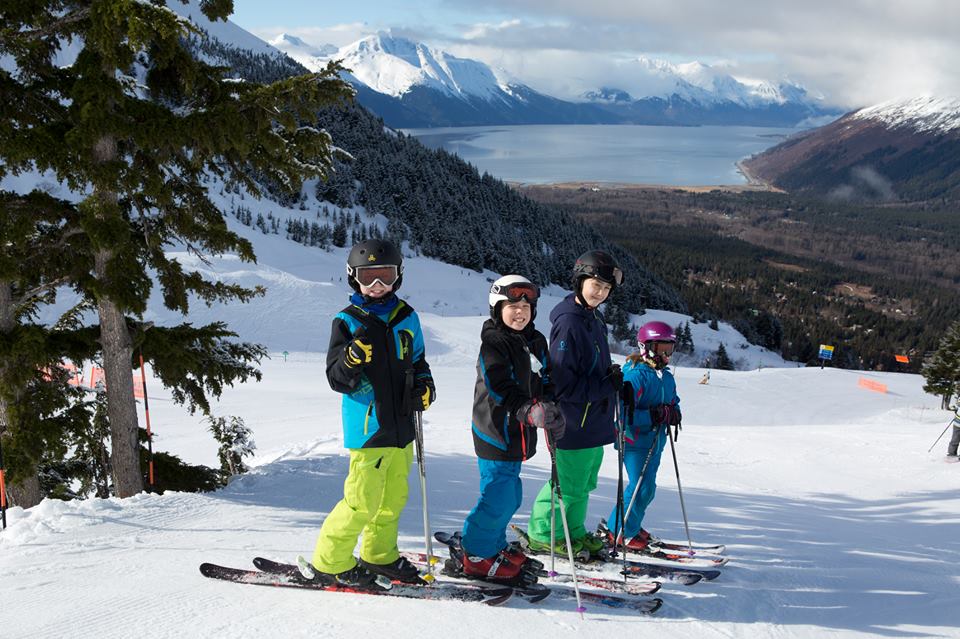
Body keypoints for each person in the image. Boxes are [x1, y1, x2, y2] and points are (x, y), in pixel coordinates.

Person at [310, 239, 436, 588]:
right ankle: (330, 561)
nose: (377, 285)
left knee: (392, 499)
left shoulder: (407, 317)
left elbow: (418, 361)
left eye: (385, 276)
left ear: (398, 276)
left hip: (402, 425)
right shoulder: (347, 321)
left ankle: (379, 555)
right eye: (368, 277)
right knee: (361, 502)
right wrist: (351, 359)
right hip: (369, 426)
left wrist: (425, 387)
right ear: (354, 278)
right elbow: (337, 379)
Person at [457, 275, 565, 585]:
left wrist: (550, 406)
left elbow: (547, 378)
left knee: (511, 494)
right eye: (512, 306)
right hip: (495, 428)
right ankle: (476, 553)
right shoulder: (494, 343)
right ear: (497, 309)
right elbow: (498, 386)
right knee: (499, 495)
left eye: (526, 307)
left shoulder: (535, 341)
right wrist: (527, 409)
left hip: (520, 431)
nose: (520, 313)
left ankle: (493, 545)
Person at [525, 250, 624, 557]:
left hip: (594, 420)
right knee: (566, 484)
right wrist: (605, 385)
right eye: (596, 285)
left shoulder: (593, 318)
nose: (601, 293)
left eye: (606, 288)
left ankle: (574, 530)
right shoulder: (569, 323)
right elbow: (563, 384)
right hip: (573, 420)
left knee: (583, 483)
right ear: (580, 281)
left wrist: (609, 377)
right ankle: (543, 533)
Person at [603, 321, 681, 551]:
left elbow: (674, 402)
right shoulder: (635, 375)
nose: (666, 355)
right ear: (645, 347)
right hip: (634, 440)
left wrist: (674, 413)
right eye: (661, 348)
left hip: (656, 441)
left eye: (669, 349)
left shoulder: (666, 377)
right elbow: (622, 414)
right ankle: (619, 531)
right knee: (640, 487)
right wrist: (653, 415)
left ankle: (631, 525)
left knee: (648, 489)